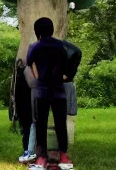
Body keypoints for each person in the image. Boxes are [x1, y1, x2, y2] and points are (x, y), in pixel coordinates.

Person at [27, 17, 73, 170]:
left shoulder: (35, 47)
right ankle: (64, 158)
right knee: (61, 125)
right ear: (52, 29)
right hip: (59, 91)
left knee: (41, 125)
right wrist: (66, 76)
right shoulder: (61, 46)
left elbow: (30, 64)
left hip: (42, 91)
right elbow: (73, 57)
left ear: (37, 31)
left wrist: (39, 78)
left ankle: (41, 159)